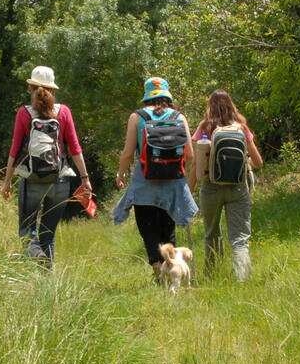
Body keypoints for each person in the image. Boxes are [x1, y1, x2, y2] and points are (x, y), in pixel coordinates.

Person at [1, 66, 92, 268]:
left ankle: (33, 251)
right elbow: (75, 148)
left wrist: (7, 182)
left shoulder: (24, 113)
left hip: (32, 178)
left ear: (31, 87)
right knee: (48, 234)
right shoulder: (64, 112)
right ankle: (46, 278)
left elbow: (14, 151)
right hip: (59, 179)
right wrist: (85, 178)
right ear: (53, 90)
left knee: (27, 230)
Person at [112, 77, 198, 281]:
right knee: (168, 229)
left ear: (146, 95)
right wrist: (178, 173)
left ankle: (158, 268)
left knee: (148, 229)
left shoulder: (137, 117)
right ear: (167, 96)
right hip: (172, 184)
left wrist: (121, 173)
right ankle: (172, 271)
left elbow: (127, 153)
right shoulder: (179, 116)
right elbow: (190, 154)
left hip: (144, 184)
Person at [187, 90, 263, 282]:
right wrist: (244, 164)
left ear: (209, 106)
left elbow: (197, 164)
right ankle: (242, 278)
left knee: (211, 233)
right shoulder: (241, 128)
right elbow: (258, 162)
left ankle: (212, 275)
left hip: (211, 188)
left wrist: (188, 190)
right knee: (240, 238)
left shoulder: (205, 127)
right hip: (238, 188)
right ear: (231, 105)